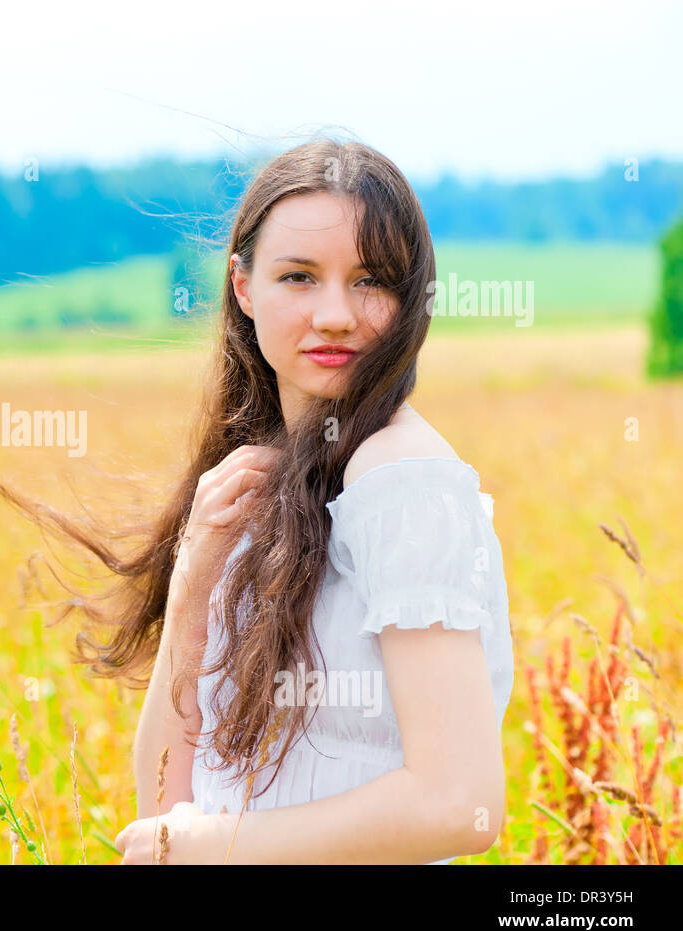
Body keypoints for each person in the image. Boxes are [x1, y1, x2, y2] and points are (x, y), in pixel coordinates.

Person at [103, 138, 515, 863]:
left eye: (370, 280)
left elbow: (461, 801)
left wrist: (223, 845)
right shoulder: (245, 484)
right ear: (243, 287)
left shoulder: (401, 477)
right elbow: (164, 816)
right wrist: (193, 583)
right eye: (298, 276)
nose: (334, 315)